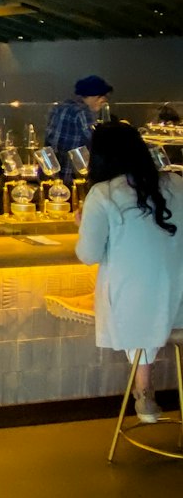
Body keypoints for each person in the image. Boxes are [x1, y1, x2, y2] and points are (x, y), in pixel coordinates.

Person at [76, 122, 183, 422]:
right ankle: (144, 389)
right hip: (179, 303)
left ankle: (143, 391)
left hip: (135, 308)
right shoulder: (176, 182)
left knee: (132, 292)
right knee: (150, 289)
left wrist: (82, 227)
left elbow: (89, 255)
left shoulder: (104, 193)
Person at [45, 74, 112, 181]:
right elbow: (98, 143)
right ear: (92, 95)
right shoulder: (82, 112)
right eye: (102, 97)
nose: (104, 101)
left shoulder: (58, 107)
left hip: (51, 174)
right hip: (72, 175)